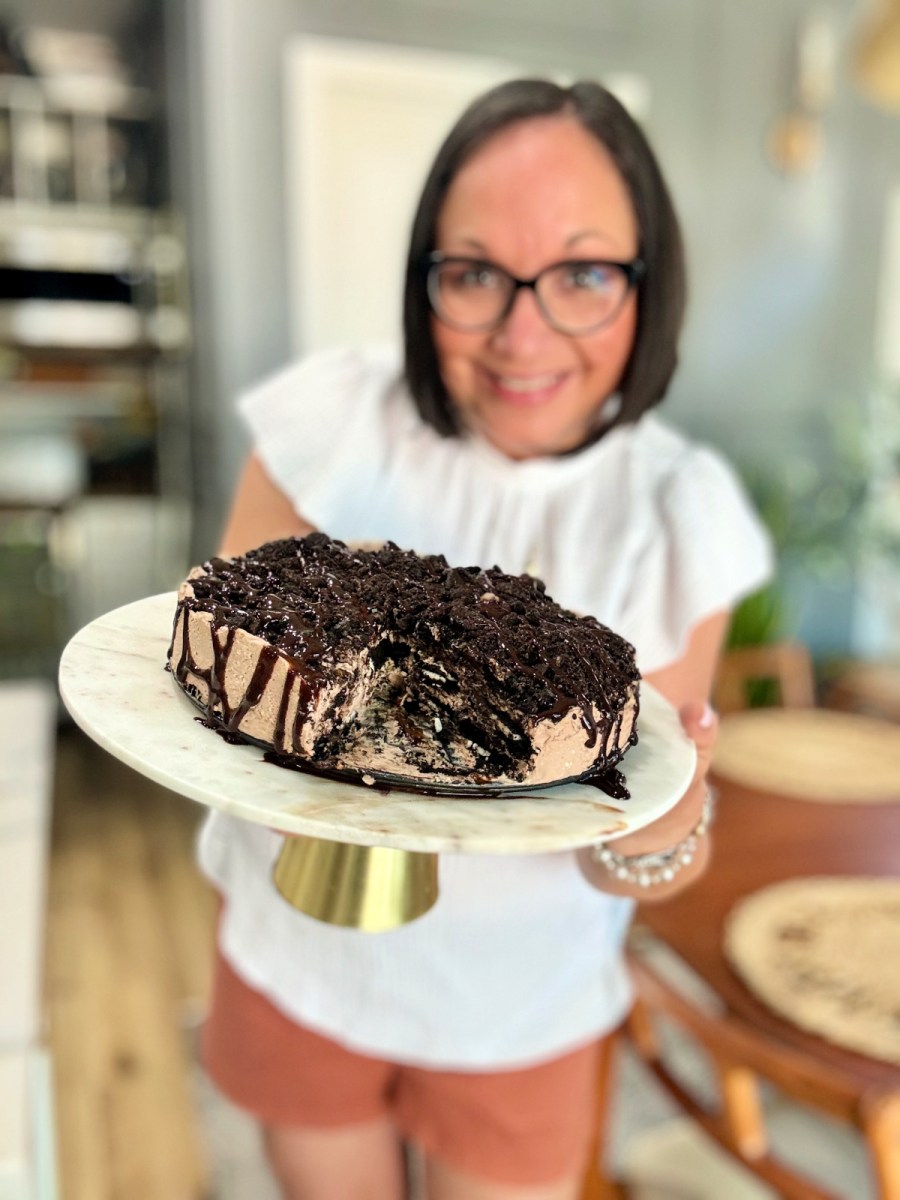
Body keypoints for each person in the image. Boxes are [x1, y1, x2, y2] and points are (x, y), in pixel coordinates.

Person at [199, 79, 773, 1200]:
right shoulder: (334, 426)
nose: (523, 334)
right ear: (425, 279)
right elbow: (228, 695)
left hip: (520, 1005)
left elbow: (633, 848)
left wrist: (671, 809)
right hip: (294, 948)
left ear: (650, 287)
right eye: (473, 275)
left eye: (584, 274)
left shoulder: (678, 515)